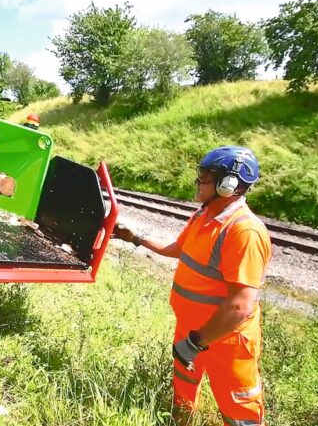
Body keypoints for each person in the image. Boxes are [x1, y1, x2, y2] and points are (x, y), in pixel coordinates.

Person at [114, 146, 271, 426]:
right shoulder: (204, 215)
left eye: (206, 176)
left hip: (226, 339)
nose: (199, 181)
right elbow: (178, 248)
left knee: (239, 408)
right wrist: (135, 237)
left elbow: (240, 306)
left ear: (228, 184)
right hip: (191, 327)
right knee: (184, 387)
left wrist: (197, 343)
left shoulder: (244, 232)